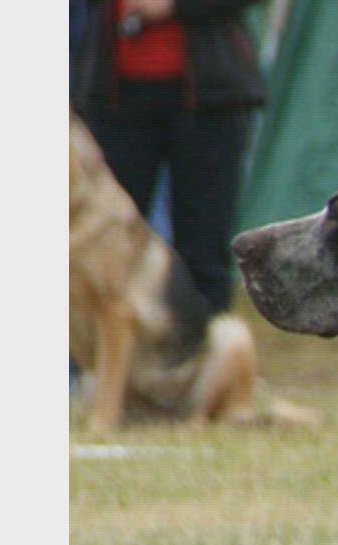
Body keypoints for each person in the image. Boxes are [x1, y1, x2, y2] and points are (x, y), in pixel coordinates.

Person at [72, 0, 267, 315]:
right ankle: (106, 346)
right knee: (104, 248)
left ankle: (205, 341)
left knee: (203, 250)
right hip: (113, 96)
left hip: (209, 100)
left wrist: (174, 6)